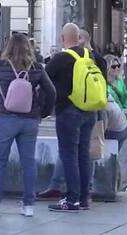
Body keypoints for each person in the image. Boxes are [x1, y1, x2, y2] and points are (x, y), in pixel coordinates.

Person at [0, 33, 56, 218]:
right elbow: (51, 91)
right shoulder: (37, 68)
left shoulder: (1, 66)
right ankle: (29, 205)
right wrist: (43, 111)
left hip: (7, 118)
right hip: (30, 119)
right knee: (28, 162)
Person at [44, 23, 105, 212]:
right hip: (90, 111)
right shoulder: (91, 56)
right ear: (78, 37)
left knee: (68, 155)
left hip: (68, 111)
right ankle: (85, 198)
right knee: (83, 154)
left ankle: (72, 199)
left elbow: (43, 78)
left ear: (63, 38)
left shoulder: (61, 58)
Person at [103, 55, 127, 193]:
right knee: (111, 155)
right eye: (113, 66)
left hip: (123, 119)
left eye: (118, 66)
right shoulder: (104, 84)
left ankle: (124, 183)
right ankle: (112, 182)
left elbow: (124, 102)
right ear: (107, 68)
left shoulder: (120, 82)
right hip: (111, 121)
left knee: (124, 155)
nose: (117, 69)